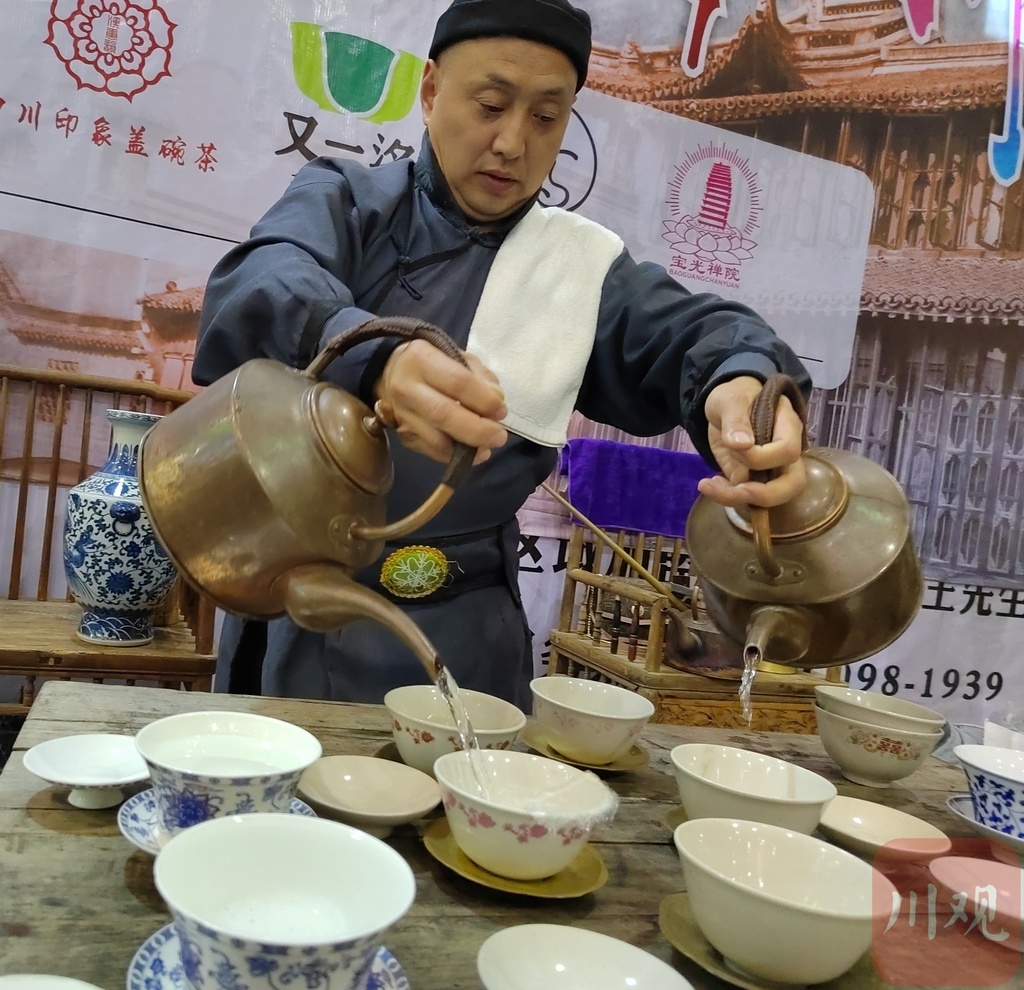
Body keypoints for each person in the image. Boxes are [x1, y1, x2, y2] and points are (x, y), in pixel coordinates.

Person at [192, 0, 812, 711]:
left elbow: (698, 334)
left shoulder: (575, 268)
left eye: (547, 118)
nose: (513, 142)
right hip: (306, 609)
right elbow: (261, 281)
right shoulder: (345, 200)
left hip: (464, 636)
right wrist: (377, 357)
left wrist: (742, 384)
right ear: (430, 93)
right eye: (490, 104)